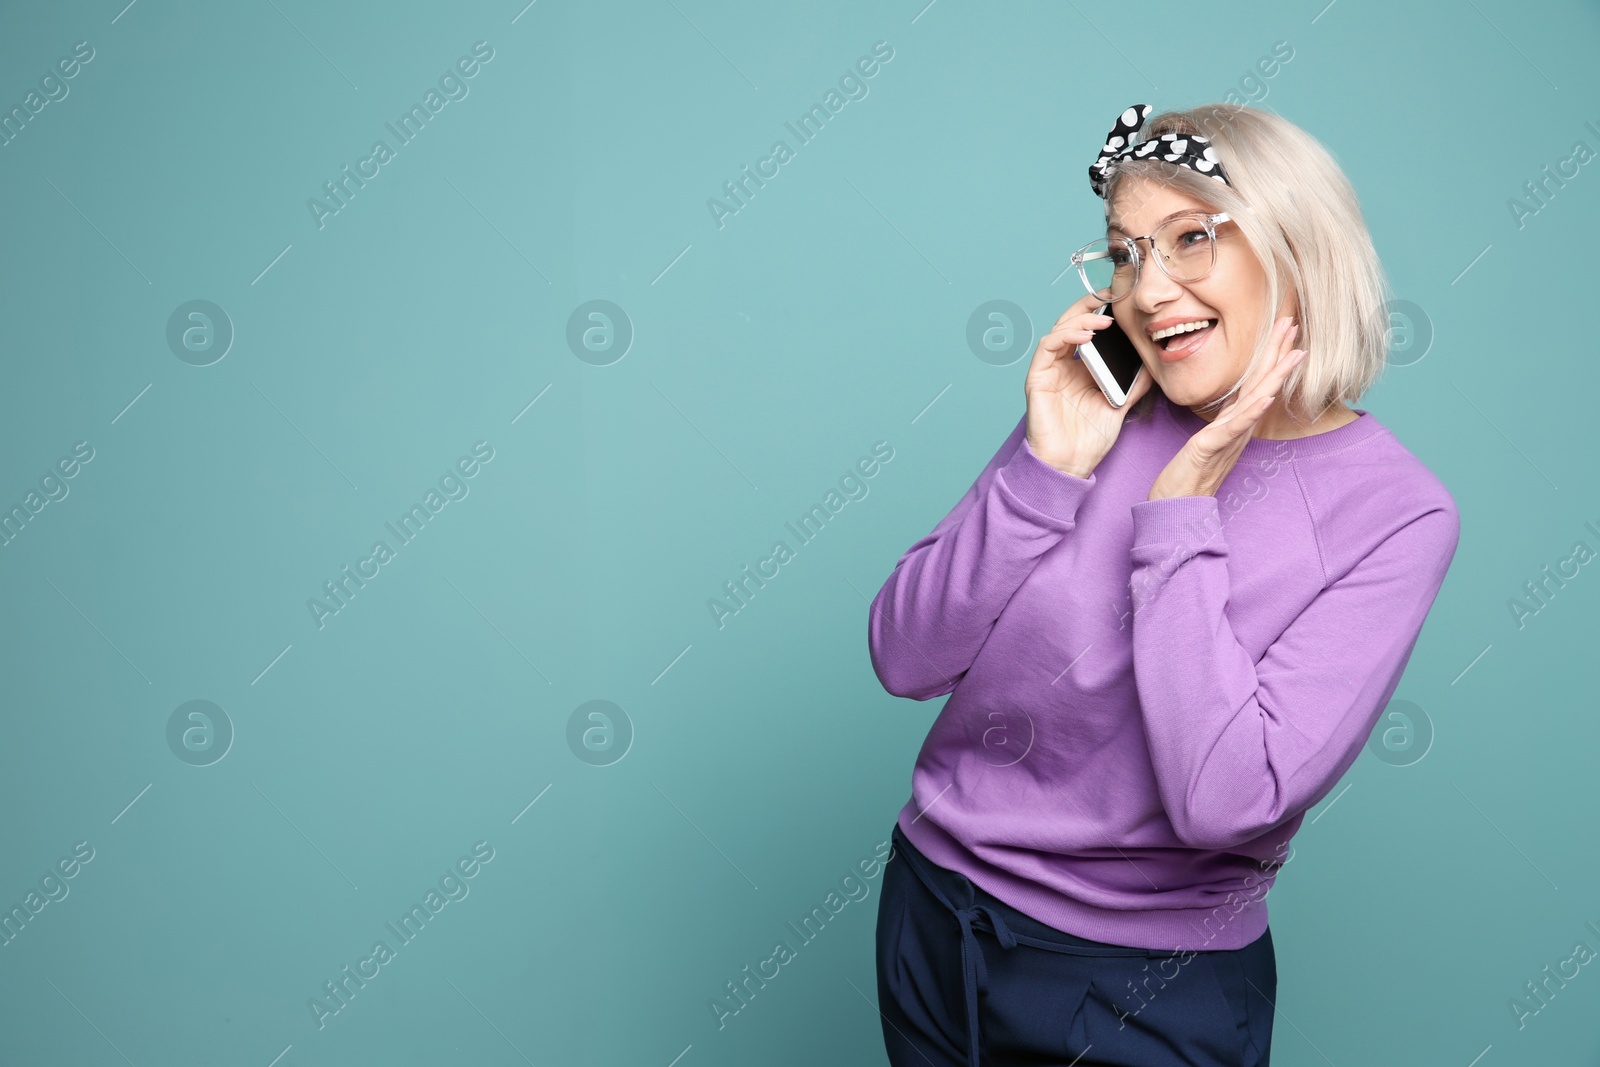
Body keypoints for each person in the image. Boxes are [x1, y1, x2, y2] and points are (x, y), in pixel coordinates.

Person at [867, 102, 1460, 1067]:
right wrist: (1043, 470)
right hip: (936, 910)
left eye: (1191, 239)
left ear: (1296, 245)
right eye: (1126, 253)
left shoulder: (1398, 512)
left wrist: (1179, 513)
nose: (1148, 289)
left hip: (1138, 987)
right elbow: (904, 654)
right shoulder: (1103, 407)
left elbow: (1225, 800)